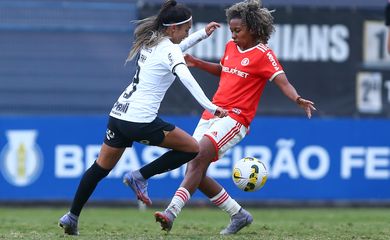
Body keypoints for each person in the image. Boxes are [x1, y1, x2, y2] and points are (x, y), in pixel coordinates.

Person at [125, 0, 316, 235]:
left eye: (238, 31)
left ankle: (171, 212)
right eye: (231, 30)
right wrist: (196, 62)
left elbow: (282, 82)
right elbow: (223, 70)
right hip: (213, 112)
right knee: (195, 170)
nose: (233, 35)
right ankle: (239, 215)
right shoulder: (231, 47)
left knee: (198, 157)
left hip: (235, 119)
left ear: (254, 30)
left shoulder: (264, 55)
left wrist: (297, 99)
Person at [58, 0, 228, 235]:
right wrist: (211, 106)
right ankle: (140, 176)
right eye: (186, 29)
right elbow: (186, 77)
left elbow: (179, 48)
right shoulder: (169, 49)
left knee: (99, 168)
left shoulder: (154, 42)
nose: (187, 33)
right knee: (192, 148)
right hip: (140, 120)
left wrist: (201, 35)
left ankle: (72, 216)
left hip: (118, 114)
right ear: (172, 29)